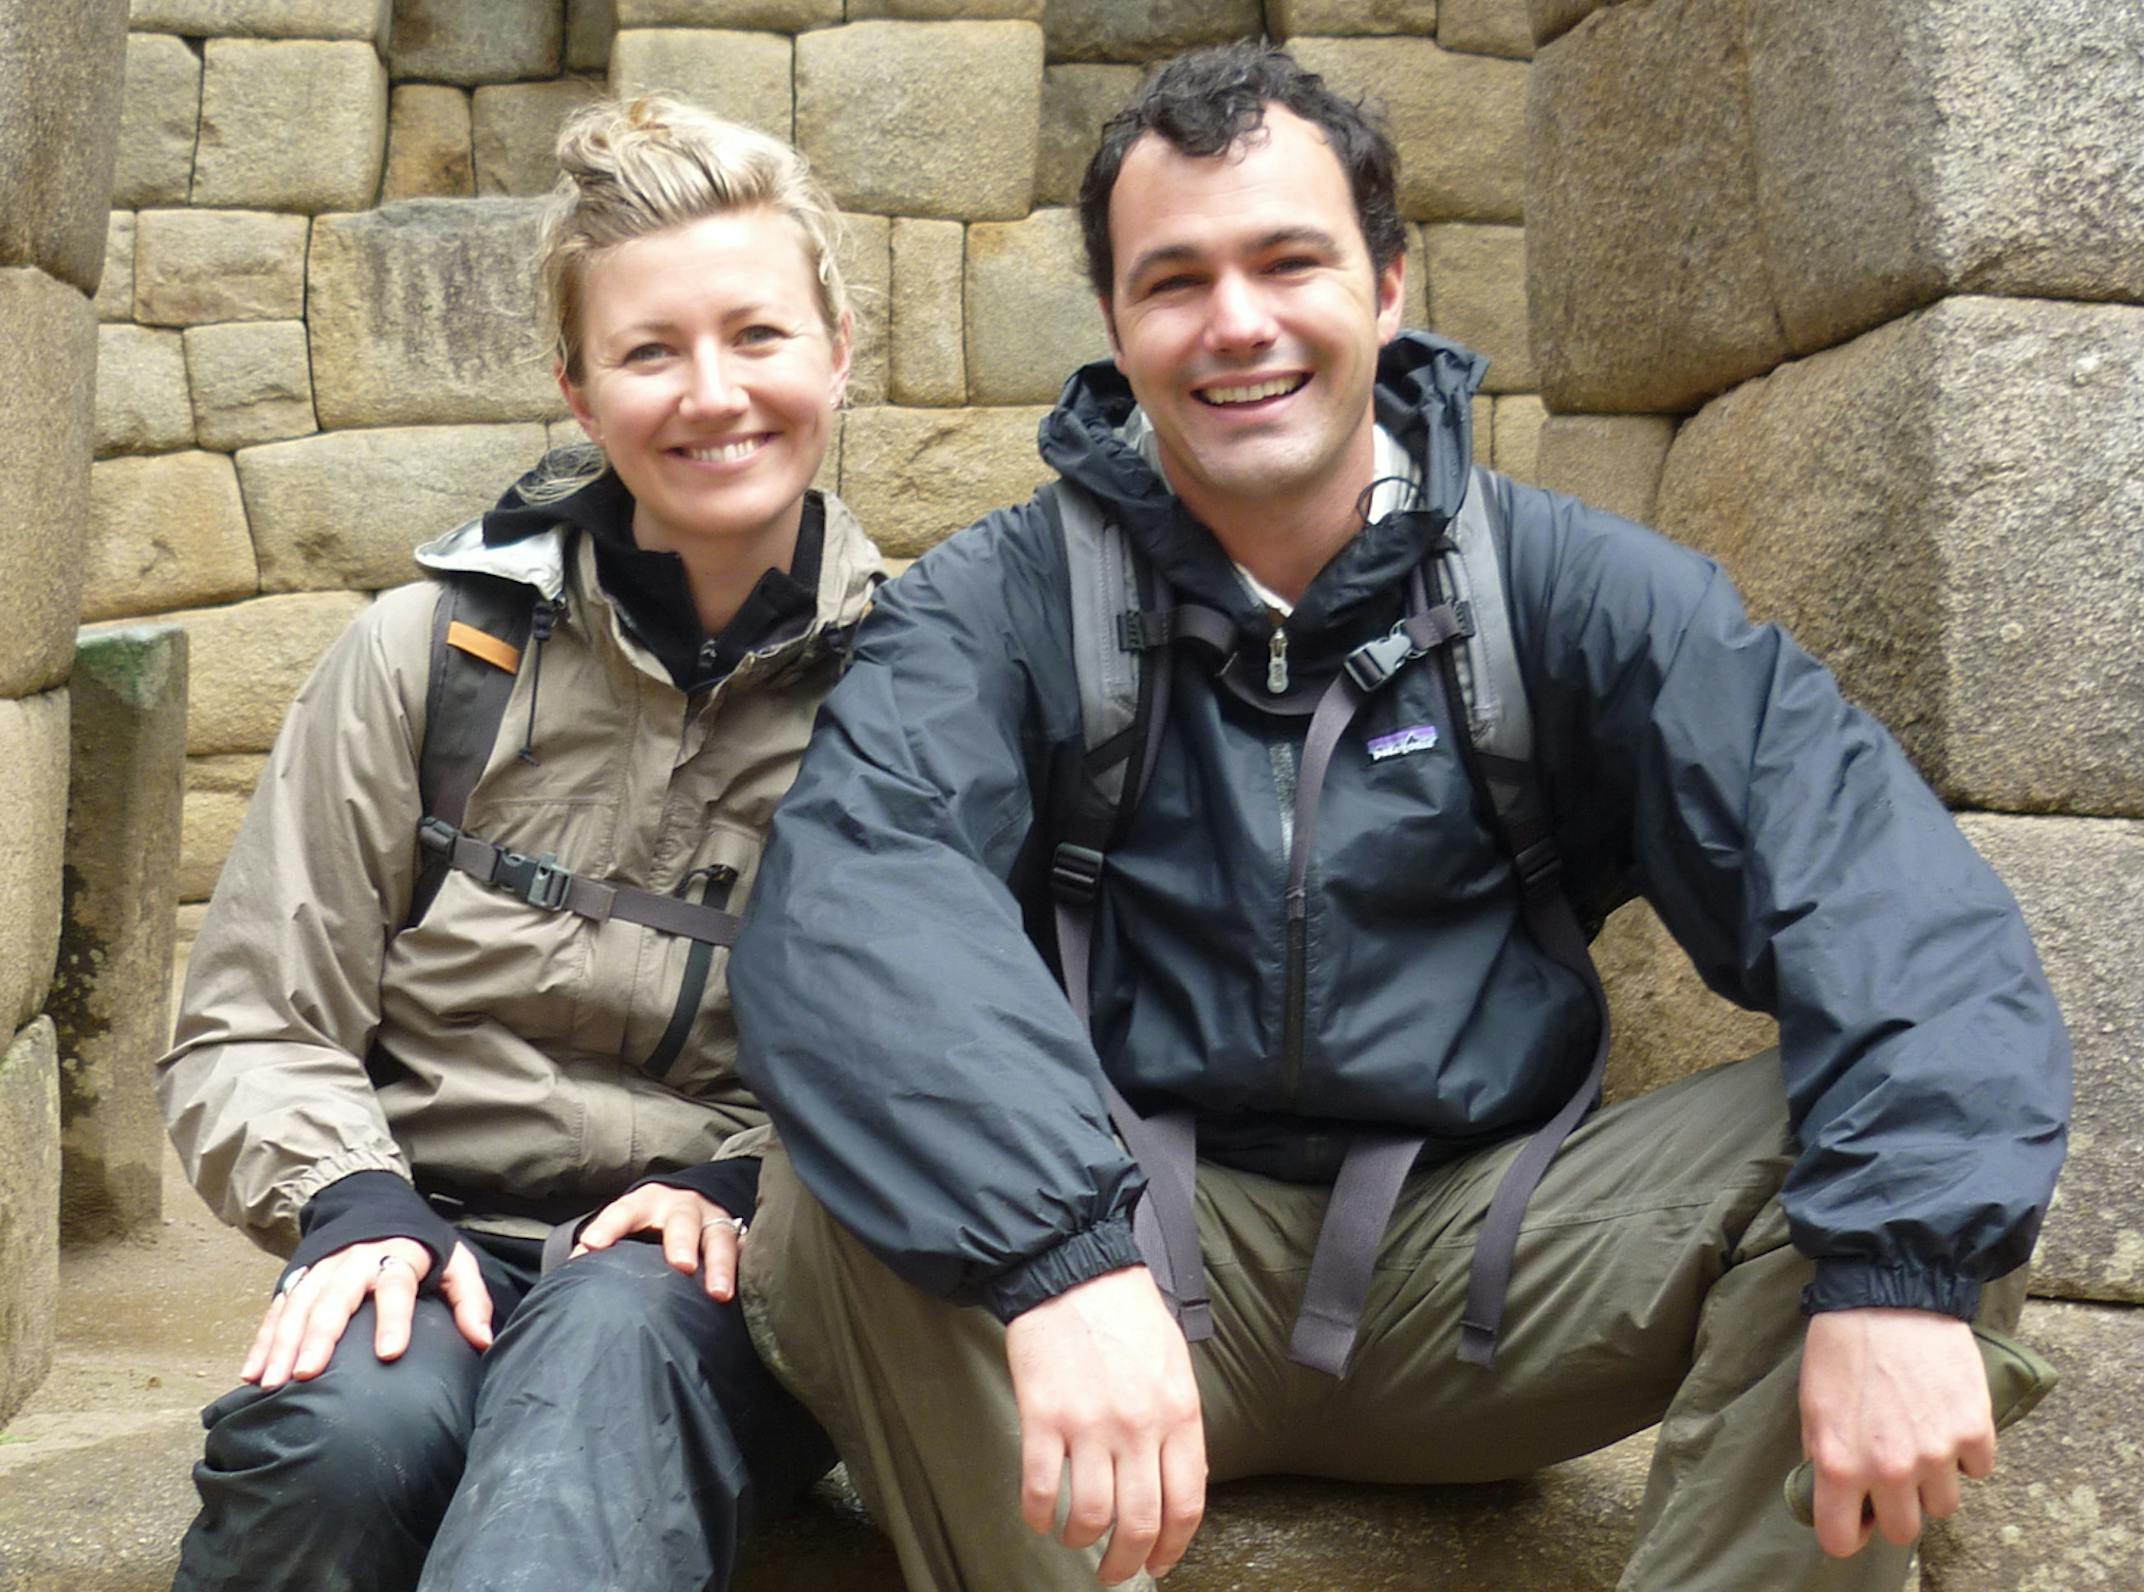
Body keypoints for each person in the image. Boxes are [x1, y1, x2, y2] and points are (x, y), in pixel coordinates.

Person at [727, 42, 2072, 1592]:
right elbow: (858, 903)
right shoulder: (1000, 605)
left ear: (1386, 282)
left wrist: (1903, 1277)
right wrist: (1056, 1255)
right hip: (1138, 1266)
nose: (1236, 323)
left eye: (1288, 260)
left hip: (1490, 1283)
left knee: (1904, 1150)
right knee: (841, 1184)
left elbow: (1886, 898)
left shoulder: (1572, 591)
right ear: (1114, 321)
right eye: (1175, 281)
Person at [157, 95, 877, 1592]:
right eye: (648, 351)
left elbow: (962, 1057)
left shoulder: (924, 696)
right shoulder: (426, 661)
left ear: (838, 350)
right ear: (576, 386)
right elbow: (250, 1020)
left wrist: (758, 1195)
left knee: (593, 1413)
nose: (712, 394)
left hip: (714, 1269)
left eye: (757, 335)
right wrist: (351, 1205)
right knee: (333, 1447)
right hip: (423, 1232)